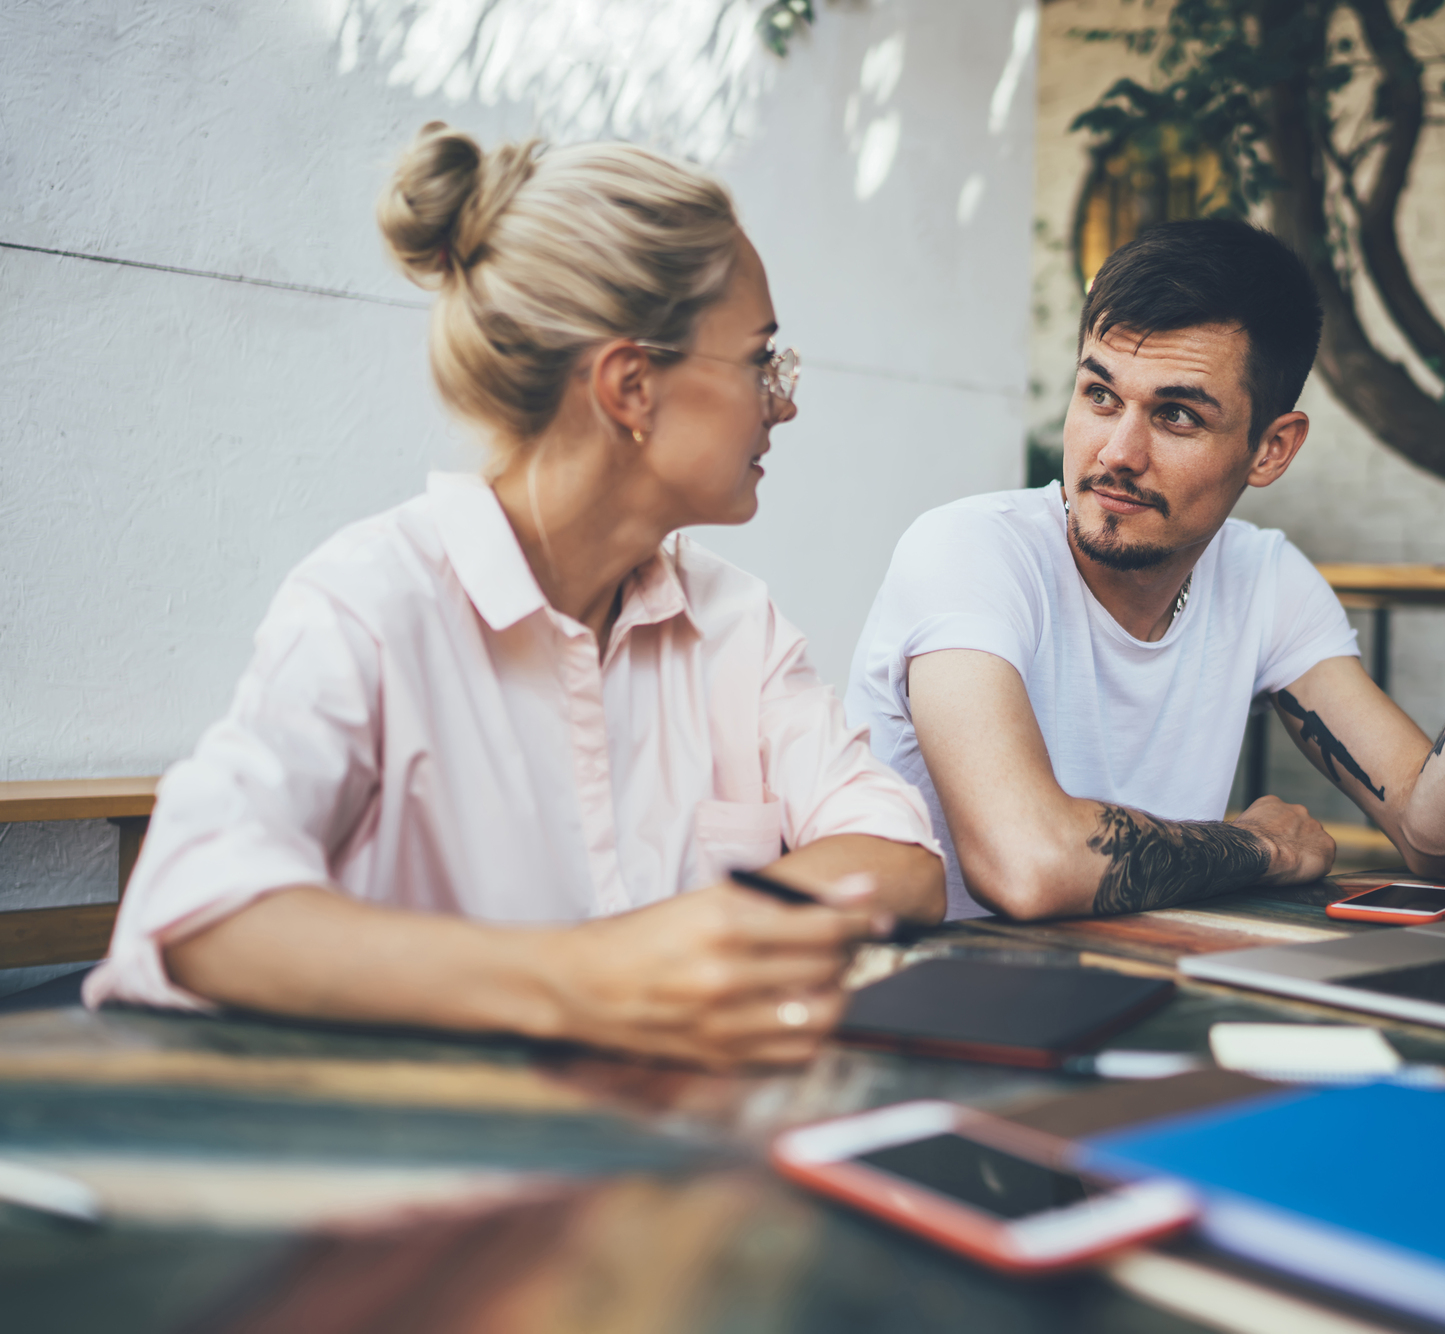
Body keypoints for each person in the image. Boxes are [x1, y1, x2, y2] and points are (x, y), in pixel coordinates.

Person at [85, 123, 945, 1067]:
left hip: (686, 1168)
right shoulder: (370, 605)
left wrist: (680, 954)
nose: (784, 402)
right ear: (631, 387)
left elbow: (898, 860)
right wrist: (599, 979)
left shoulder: (737, 623)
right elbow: (193, 911)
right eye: (758, 361)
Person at [846, 218, 1445, 922]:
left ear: (1271, 449)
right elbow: (1029, 866)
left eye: (1177, 416)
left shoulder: (1262, 579)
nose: (1116, 453)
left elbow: (1438, 839)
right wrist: (1260, 847)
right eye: (1100, 395)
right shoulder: (969, 551)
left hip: (1137, 997)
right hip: (919, 1011)